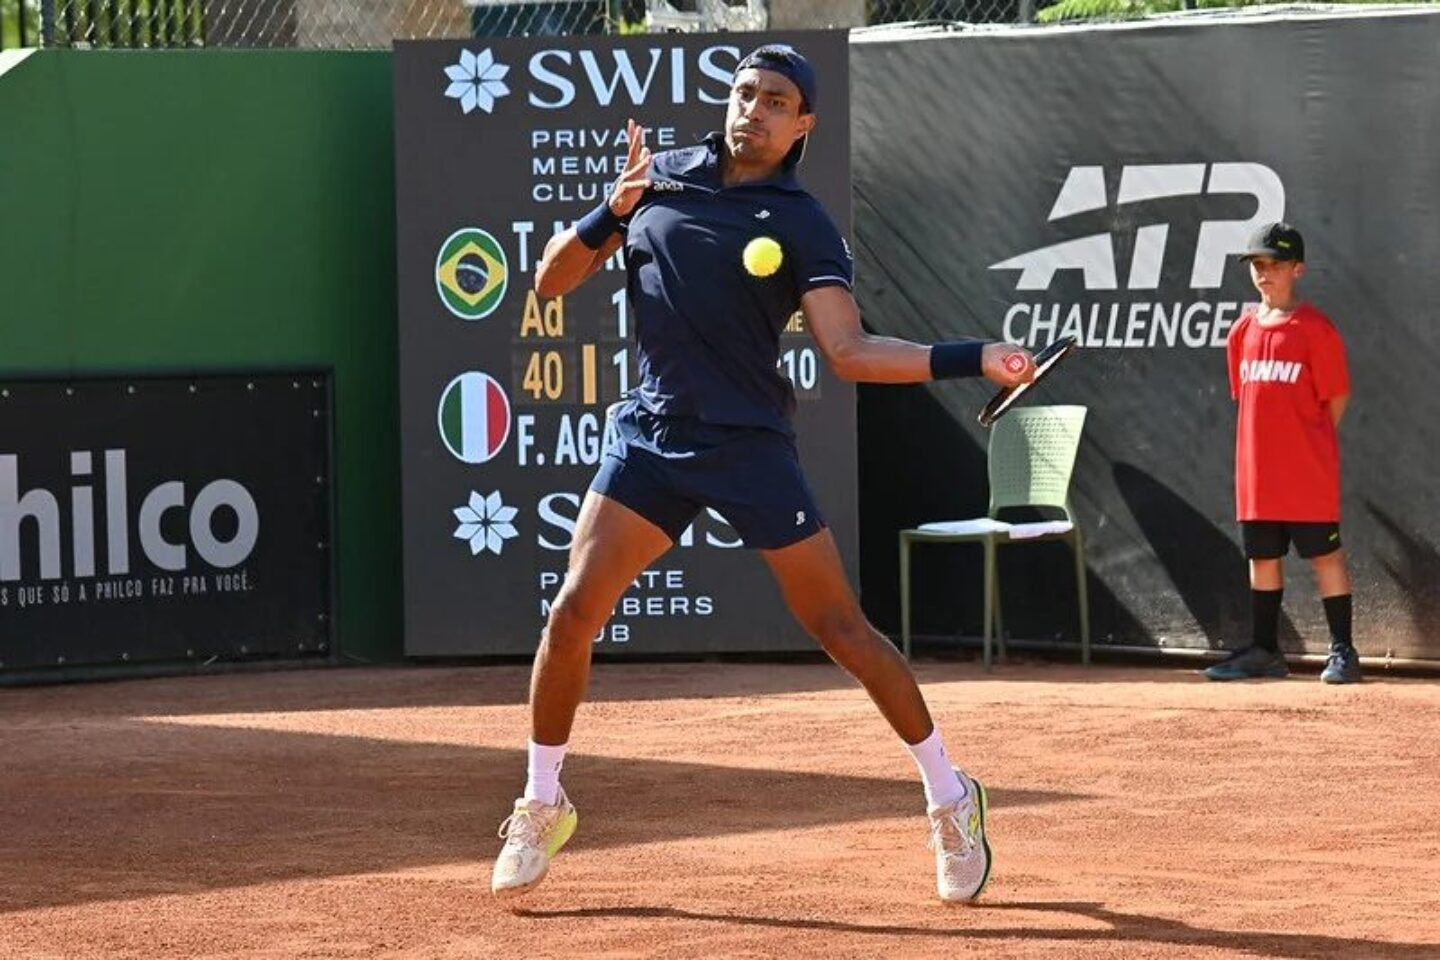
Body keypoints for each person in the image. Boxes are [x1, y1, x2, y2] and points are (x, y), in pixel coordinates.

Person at [490, 43, 1034, 903]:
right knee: (570, 613)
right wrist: (609, 209)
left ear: (802, 124)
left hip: (747, 447)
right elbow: (551, 281)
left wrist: (976, 357)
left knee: (841, 630)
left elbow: (850, 352)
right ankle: (542, 799)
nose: (754, 109)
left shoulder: (803, 222)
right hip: (653, 437)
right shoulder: (660, 179)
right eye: (745, 93)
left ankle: (950, 792)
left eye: (776, 100)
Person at [1206, 222, 1360, 684]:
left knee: (1325, 558)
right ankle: (1266, 651)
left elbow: (1337, 397)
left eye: (1275, 264)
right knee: (1262, 559)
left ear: (1298, 269)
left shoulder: (1316, 328)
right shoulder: (1241, 332)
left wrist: (1307, 442)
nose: (1265, 273)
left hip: (1307, 472)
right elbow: (1248, 400)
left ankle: (1343, 651)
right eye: (1257, 264)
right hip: (1257, 473)